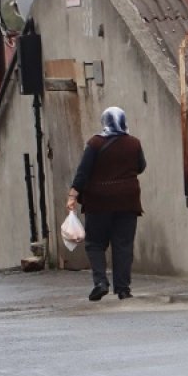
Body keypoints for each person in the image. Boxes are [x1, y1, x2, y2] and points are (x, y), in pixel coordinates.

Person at [66, 106, 147, 301]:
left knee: (95, 244)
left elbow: (83, 172)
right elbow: (141, 166)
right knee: (123, 245)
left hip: (98, 202)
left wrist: (73, 194)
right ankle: (123, 289)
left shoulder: (94, 143)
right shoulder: (134, 143)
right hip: (128, 201)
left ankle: (101, 282)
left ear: (104, 122)